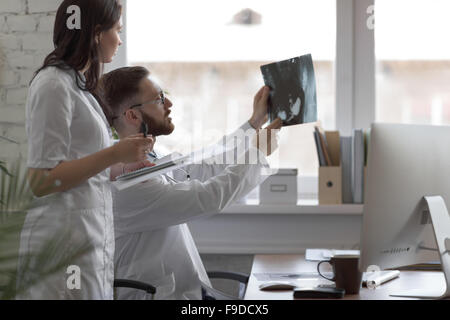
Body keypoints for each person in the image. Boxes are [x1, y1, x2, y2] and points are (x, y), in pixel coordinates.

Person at [99, 66, 282, 299]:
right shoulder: (126, 183)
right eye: (159, 99)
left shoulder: (148, 159)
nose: (170, 104)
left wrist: (255, 122)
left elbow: (206, 166)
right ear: (133, 116)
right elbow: (208, 197)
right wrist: (256, 152)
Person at [17, 0, 154, 300]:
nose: (120, 39)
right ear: (95, 34)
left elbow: (80, 165)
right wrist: (114, 154)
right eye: (117, 31)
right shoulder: (53, 85)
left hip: (85, 238)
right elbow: (42, 180)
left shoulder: (77, 85)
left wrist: (124, 165)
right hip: (63, 244)